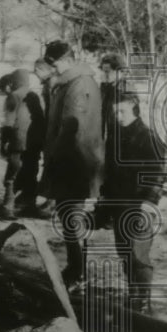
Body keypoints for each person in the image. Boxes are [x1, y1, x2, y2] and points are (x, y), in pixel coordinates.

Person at [42, 41, 105, 291]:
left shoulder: (79, 84)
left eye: (54, 63)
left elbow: (71, 126)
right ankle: (74, 267)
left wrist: (54, 158)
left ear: (66, 60)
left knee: (72, 218)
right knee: (68, 216)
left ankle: (78, 274)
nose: (53, 68)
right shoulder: (71, 82)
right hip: (69, 159)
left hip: (75, 162)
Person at [100, 92, 166, 312]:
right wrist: (104, 203)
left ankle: (143, 300)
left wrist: (149, 202)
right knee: (125, 253)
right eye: (115, 112)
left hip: (140, 205)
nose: (118, 116)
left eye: (122, 112)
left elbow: (157, 173)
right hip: (119, 203)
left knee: (138, 255)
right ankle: (133, 296)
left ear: (135, 110)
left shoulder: (148, 137)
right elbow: (108, 173)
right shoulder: (115, 137)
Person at [0, 68, 45, 218]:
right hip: (34, 142)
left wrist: (3, 141)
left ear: (14, 81)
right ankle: (29, 205)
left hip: (18, 141)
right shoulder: (34, 96)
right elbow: (41, 120)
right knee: (30, 173)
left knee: (12, 174)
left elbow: (9, 122)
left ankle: (7, 207)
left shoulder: (14, 96)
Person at [98, 53, 127, 227]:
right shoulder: (107, 88)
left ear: (119, 71)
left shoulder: (124, 89)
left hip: (120, 139)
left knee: (117, 177)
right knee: (106, 175)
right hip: (108, 137)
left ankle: (113, 214)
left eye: (108, 71)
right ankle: (103, 212)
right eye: (103, 71)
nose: (105, 74)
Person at [32, 57, 58, 215]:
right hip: (51, 128)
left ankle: (52, 203)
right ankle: (51, 201)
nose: (36, 75)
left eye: (37, 71)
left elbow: (53, 109)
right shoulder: (51, 82)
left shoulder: (51, 83)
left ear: (43, 70)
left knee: (52, 165)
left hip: (53, 129)